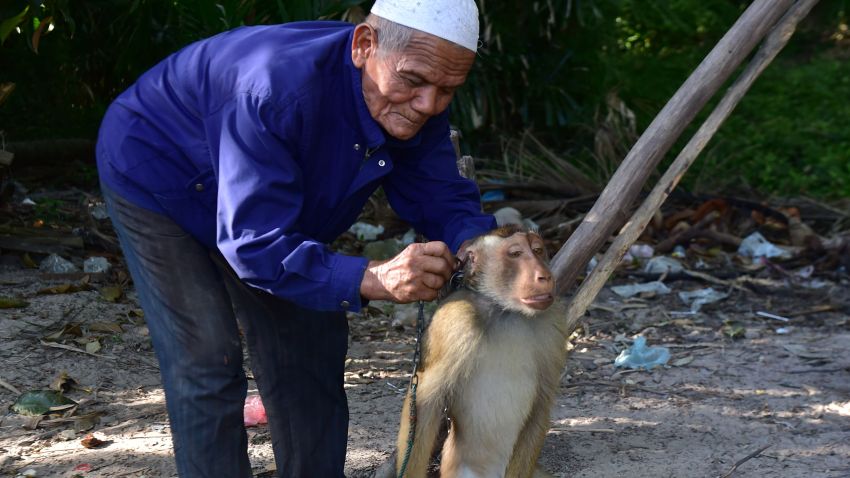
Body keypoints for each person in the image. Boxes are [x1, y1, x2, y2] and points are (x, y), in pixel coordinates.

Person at [95, 0, 496, 476]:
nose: (429, 104)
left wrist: (478, 245)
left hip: (261, 204)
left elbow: (440, 193)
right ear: (364, 46)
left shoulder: (413, 97)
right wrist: (374, 277)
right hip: (158, 173)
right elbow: (255, 243)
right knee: (207, 356)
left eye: (447, 90)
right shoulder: (275, 88)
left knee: (311, 342)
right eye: (413, 81)